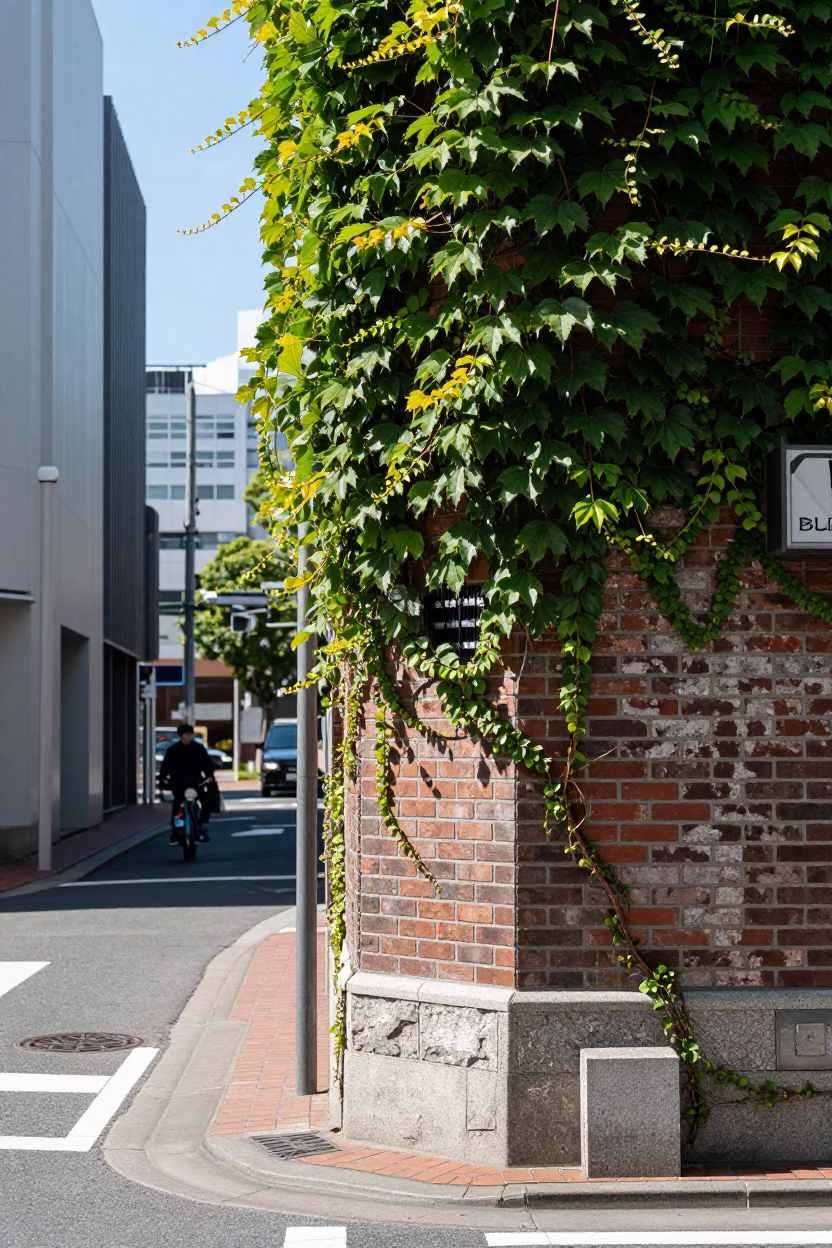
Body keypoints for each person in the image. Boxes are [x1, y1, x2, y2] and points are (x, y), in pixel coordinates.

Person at [159, 724, 215, 843]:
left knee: (204, 802)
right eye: (186, 735)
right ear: (180, 736)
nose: (189, 737)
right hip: (178, 783)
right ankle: (176, 830)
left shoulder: (198, 749)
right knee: (178, 807)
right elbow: (165, 767)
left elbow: (207, 764)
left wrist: (209, 776)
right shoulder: (173, 751)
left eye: (190, 735)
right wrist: (163, 778)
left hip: (195, 782)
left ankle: (200, 826)